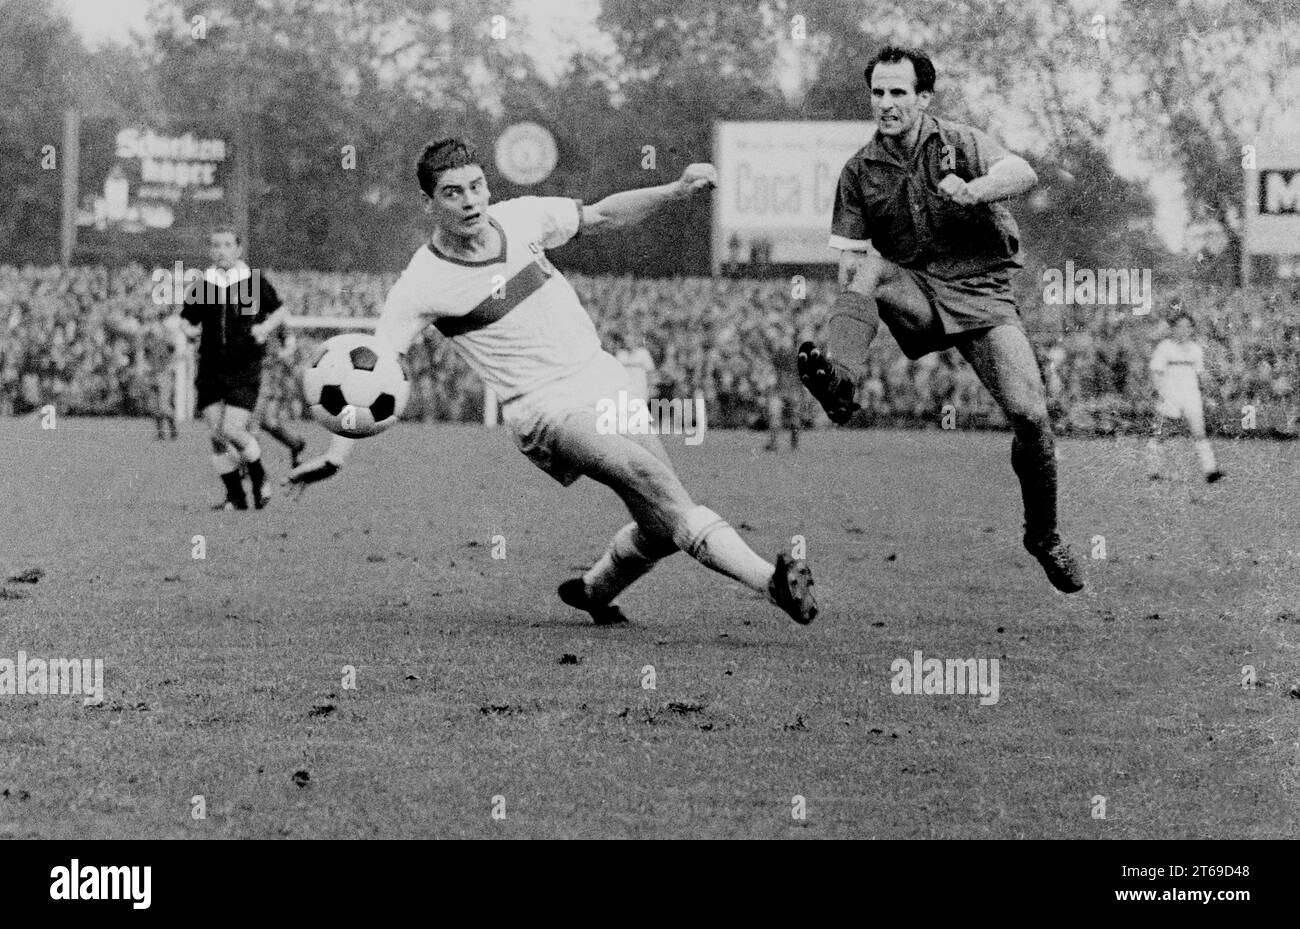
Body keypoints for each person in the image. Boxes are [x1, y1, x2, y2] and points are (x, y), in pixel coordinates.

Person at [287, 139, 817, 626]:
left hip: (601, 376)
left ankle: (595, 590)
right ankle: (770, 584)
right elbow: (372, 373)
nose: (469, 201)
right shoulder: (420, 285)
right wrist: (337, 454)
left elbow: (603, 215)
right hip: (545, 411)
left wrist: (676, 190)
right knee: (654, 481)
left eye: (475, 186)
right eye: (452, 193)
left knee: (660, 523)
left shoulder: (522, 217)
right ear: (429, 203)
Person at [796, 45, 1084, 593]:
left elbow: (1021, 172)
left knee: (1029, 416)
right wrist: (851, 325)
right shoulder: (859, 171)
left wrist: (974, 191)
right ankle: (841, 383)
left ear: (923, 97)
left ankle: (1043, 535)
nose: (885, 103)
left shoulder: (957, 141)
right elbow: (850, 263)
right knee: (869, 270)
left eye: (898, 92)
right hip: (919, 295)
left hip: (982, 295)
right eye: (877, 93)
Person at [175, 227, 290, 510]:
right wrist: (189, 330)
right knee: (216, 436)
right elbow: (187, 319)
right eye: (216, 245)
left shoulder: (254, 281)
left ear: (238, 250)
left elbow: (280, 312)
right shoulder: (203, 285)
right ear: (211, 250)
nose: (221, 250)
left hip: (244, 367)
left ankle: (260, 477)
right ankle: (236, 497)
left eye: (227, 245)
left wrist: (264, 327)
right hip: (211, 368)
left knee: (233, 430)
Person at [1146, 313, 1223, 483]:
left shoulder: (1196, 349)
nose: (1184, 330)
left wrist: (1209, 394)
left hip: (1191, 396)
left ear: (1192, 329)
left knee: (1199, 432)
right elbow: (1156, 371)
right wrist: (1160, 392)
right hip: (1170, 395)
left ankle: (1211, 471)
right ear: (1173, 329)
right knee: (1160, 434)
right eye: (1180, 326)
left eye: (1187, 327)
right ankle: (1153, 470)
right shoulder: (1164, 347)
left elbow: (1201, 375)